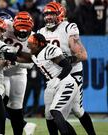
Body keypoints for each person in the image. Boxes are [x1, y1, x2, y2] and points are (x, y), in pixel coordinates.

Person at [38, 2, 96, 135]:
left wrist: (67, 60)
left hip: (72, 73)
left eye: (52, 14)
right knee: (52, 112)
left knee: (77, 110)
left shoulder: (68, 28)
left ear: (60, 14)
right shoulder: (41, 32)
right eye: (46, 14)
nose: (48, 17)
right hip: (54, 76)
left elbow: (83, 55)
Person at [4, 33, 78, 135]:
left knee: (55, 111)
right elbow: (25, 57)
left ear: (40, 44)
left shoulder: (50, 50)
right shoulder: (35, 54)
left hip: (64, 82)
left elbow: (67, 66)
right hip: (51, 85)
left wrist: (58, 79)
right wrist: (11, 56)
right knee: (49, 116)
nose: (29, 45)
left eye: (31, 43)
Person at [1, 11, 36, 135]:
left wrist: (14, 62)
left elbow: (31, 63)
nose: (22, 33)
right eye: (19, 30)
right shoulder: (4, 25)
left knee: (16, 105)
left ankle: (21, 129)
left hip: (18, 72)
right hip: (0, 72)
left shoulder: (33, 38)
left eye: (25, 30)